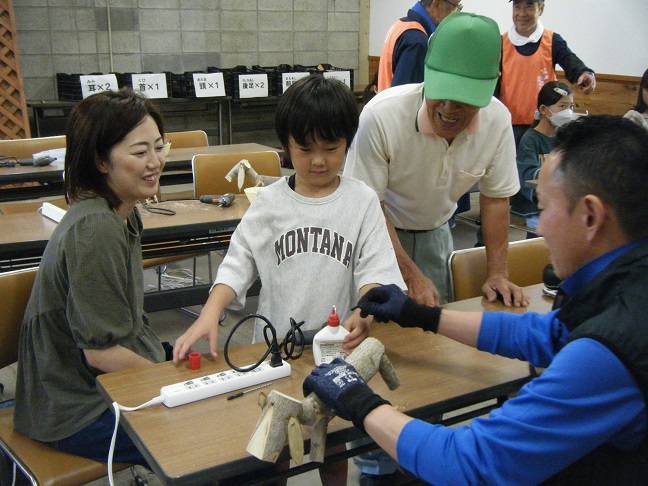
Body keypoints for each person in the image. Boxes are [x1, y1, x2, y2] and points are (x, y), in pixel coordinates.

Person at [308, 115, 648, 485]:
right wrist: (421, 314)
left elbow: (467, 463)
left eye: (545, 207)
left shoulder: (611, 348)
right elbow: (543, 334)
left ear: (590, 216)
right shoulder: (627, 285)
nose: (538, 225)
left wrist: (358, 399)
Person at [172, 74, 405, 486]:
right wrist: (210, 312)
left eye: (331, 148)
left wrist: (364, 310)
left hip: (337, 352)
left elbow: (377, 272)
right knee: (274, 446)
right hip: (276, 350)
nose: (319, 161)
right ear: (285, 146)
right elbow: (237, 262)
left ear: (348, 144)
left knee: (333, 442)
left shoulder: (361, 201)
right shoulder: (271, 204)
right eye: (305, 149)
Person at [14, 88, 169, 466]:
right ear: (100, 160)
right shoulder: (96, 228)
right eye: (139, 152)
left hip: (95, 384)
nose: (155, 162)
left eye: (160, 147)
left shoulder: (122, 210)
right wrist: (174, 384)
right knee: (209, 435)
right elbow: (100, 353)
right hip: (74, 407)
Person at [345, 12, 526, 309]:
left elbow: (495, 200)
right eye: (441, 92)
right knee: (371, 326)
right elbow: (366, 207)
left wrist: (498, 273)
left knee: (435, 329)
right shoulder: (382, 116)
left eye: (464, 98)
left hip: (438, 232)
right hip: (377, 232)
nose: (449, 108)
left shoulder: (498, 121)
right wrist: (411, 275)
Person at [498, 0, 596, 147]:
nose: (522, 13)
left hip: (544, 124)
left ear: (541, 9)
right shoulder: (501, 42)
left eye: (529, 6)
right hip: (509, 125)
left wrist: (583, 73)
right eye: (517, 7)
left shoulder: (552, 40)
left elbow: (569, 60)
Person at [511, 80, 573, 232]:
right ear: (544, 110)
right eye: (562, 106)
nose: (568, 112)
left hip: (559, 203)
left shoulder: (565, 136)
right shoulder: (531, 139)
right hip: (534, 207)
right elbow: (527, 175)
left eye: (571, 107)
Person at [376, 0, 460, 93]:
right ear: (436, 5)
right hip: (395, 106)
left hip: (386, 104)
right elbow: (407, 98)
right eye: (455, 7)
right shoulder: (417, 41)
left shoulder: (401, 25)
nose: (454, 14)